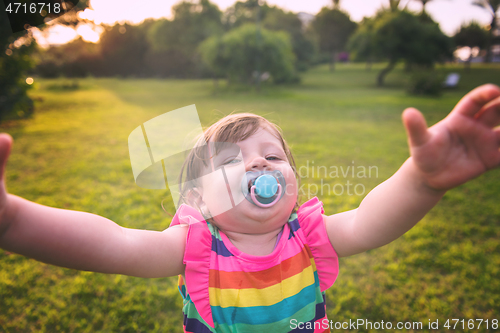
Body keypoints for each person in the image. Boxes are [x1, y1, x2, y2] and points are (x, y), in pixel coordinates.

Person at [0, 84, 499, 332]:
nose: (259, 163)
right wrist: (14, 221)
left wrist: (423, 180)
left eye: (273, 155)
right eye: (230, 162)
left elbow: (372, 221)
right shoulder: (194, 245)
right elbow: (111, 243)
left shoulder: (307, 235)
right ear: (196, 198)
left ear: (292, 179)